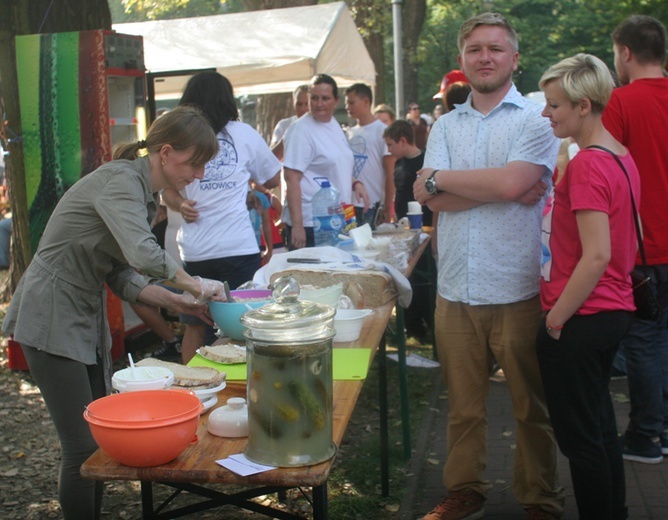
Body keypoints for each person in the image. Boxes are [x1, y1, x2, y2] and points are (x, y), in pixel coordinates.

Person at [1, 106, 226, 519]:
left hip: (82, 315)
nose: (198, 175)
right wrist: (195, 284)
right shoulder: (120, 180)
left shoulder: (144, 195)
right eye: (194, 163)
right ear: (166, 151)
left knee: (100, 441)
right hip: (50, 312)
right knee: (81, 448)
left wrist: (177, 302)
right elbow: (144, 252)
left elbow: (121, 274)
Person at [413, 13, 564, 520]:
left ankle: (540, 498)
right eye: (475, 49)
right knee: (463, 407)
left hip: (519, 286)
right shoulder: (445, 125)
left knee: (531, 408)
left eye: (495, 49)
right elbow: (429, 198)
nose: (485, 57)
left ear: (514, 59)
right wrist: (502, 187)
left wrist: (447, 182)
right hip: (456, 288)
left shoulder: (537, 119)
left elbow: (468, 187)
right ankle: (465, 491)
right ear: (462, 61)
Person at [538, 53, 639, 520]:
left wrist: (557, 316)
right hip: (610, 311)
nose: (546, 113)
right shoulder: (620, 156)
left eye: (554, 105)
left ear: (583, 106)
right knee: (598, 431)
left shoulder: (588, 166)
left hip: (584, 316)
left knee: (582, 441)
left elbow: (596, 254)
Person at [162, 72, 281, 363]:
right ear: (228, 100)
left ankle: (192, 389)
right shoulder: (245, 134)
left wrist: (181, 204)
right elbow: (274, 176)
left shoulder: (180, 136)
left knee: (194, 326)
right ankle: (243, 389)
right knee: (245, 325)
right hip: (238, 248)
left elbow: (165, 189)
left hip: (196, 250)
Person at [602, 15, 668, 465]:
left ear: (624, 52)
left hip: (644, 245)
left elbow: (608, 173)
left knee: (643, 341)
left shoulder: (621, 102)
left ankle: (646, 436)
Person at [281, 73, 369, 249]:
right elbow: (291, 178)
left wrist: (355, 183)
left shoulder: (333, 124)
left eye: (325, 98)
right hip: (311, 224)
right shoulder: (301, 130)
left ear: (336, 101)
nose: (319, 104)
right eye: (314, 98)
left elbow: (337, 166)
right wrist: (298, 226)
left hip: (337, 218)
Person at [384, 119, 433, 338]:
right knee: (408, 278)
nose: (389, 151)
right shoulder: (399, 163)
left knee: (423, 280)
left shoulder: (424, 162)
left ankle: (427, 323)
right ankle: (413, 325)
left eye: (391, 145)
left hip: (424, 231)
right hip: (404, 230)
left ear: (403, 141)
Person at [345, 83, 395, 227]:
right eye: (346, 102)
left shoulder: (382, 130)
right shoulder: (348, 133)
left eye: (351, 102)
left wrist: (387, 206)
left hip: (372, 204)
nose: (348, 107)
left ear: (366, 102)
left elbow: (390, 172)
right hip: (349, 204)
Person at [270, 84, 309, 161]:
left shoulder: (322, 127)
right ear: (293, 104)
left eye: (306, 104)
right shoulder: (283, 125)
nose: (303, 108)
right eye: (299, 104)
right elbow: (271, 158)